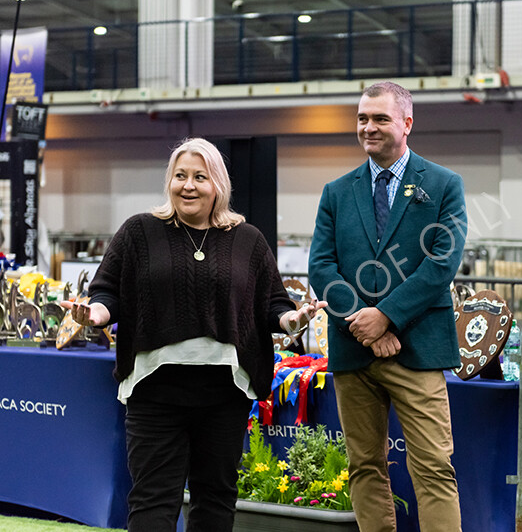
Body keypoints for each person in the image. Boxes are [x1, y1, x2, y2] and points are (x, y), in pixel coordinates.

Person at [61, 137, 326, 532]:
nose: (188, 185)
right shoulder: (138, 232)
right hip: (155, 393)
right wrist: (95, 313)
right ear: (169, 182)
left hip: (224, 394)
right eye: (180, 176)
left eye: (200, 177)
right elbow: (107, 292)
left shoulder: (247, 239)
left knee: (215, 498)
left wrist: (292, 320)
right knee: (152, 500)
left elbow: (272, 303)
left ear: (217, 184)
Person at [308, 81, 466, 532]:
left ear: (407, 123)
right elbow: (321, 265)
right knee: (365, 466)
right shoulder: (336, 192)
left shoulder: (443, 184)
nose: (368, 127)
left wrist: (387, 317)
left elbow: (441, 263)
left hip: (418, 351)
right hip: (353, 350)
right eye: (362, 118)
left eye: (380, 118)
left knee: (434, 467)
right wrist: (363, 322)